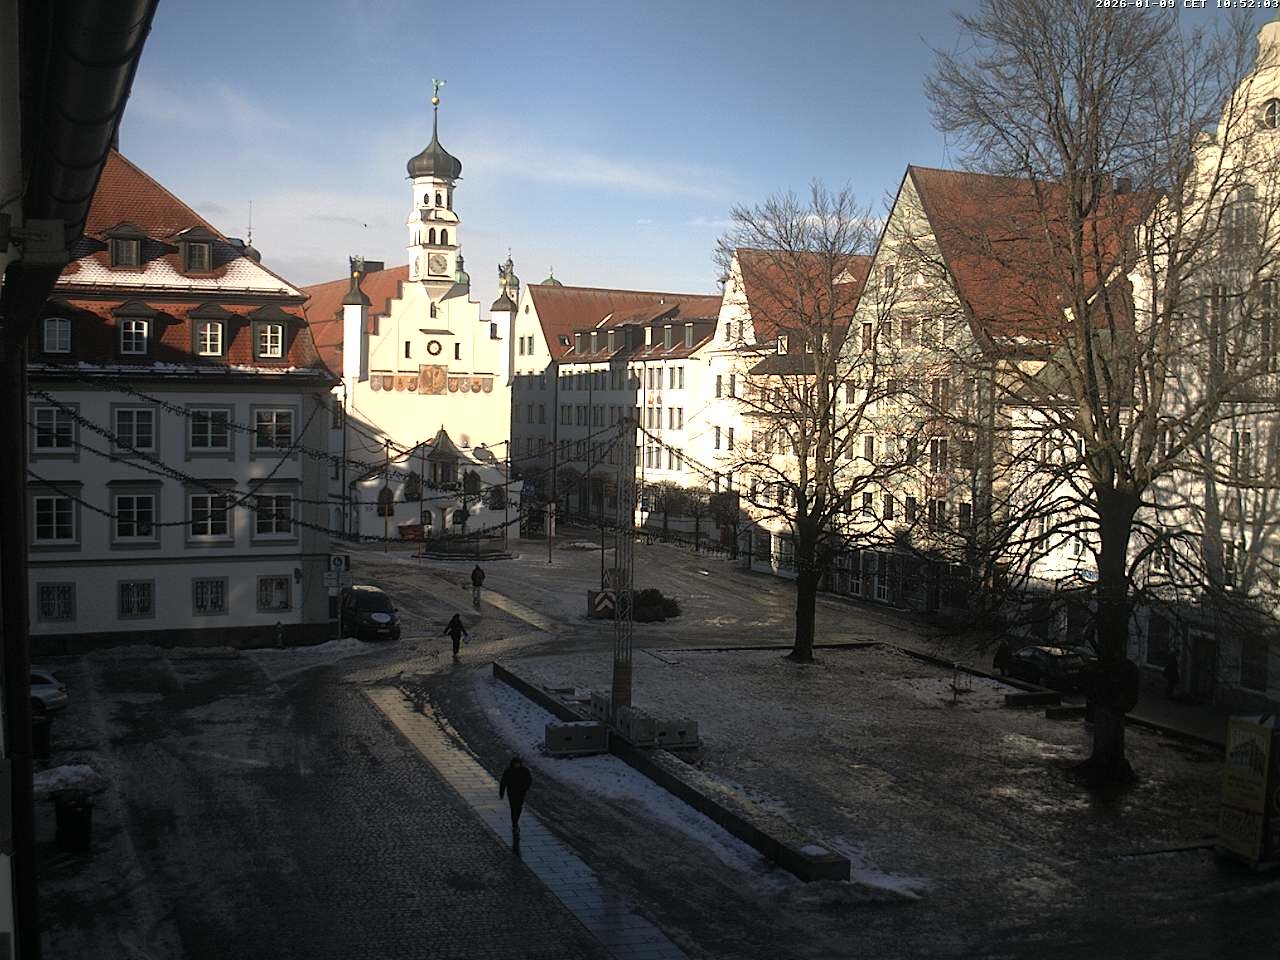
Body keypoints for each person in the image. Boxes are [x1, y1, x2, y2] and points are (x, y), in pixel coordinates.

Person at [498, 756, 532, 853]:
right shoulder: (509, 771)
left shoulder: (524, 771)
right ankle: (515, 824)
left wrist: (525, 788)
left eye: (518, 763)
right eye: (515, 763)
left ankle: (515, 821)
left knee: (519, 807)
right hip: (512, 793)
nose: (517, 765)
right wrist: (501, 792)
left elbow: (529, 780)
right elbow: (503, 782)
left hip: (521, 792)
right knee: (514, 808)